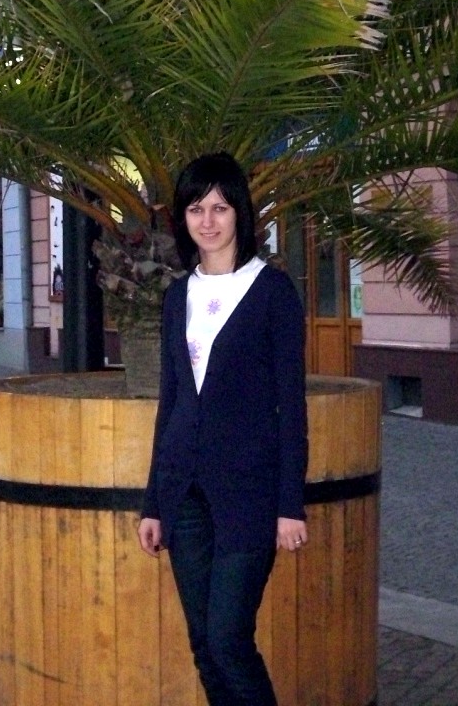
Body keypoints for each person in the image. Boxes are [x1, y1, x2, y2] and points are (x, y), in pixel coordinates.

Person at [138, 151, 308, 706]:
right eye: (195, 209)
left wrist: (290, 506)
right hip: (184, 494)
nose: (207, 221)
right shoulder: (176, 296)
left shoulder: (272, 292)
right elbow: (170, 405)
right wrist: (153, 504)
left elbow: (291, 408)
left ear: (240, 212)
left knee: (228, 640)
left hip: (249, 494)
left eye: (219, 208)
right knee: (203, 645)